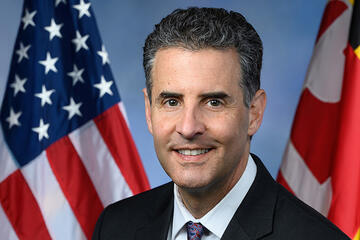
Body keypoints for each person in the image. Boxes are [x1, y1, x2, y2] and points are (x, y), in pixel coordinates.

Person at [92, 7, 350, 240]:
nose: (189, 127)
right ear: (149, 111)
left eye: (213, 102)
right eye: (172, 102)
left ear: (254, 113)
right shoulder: (115, 226)